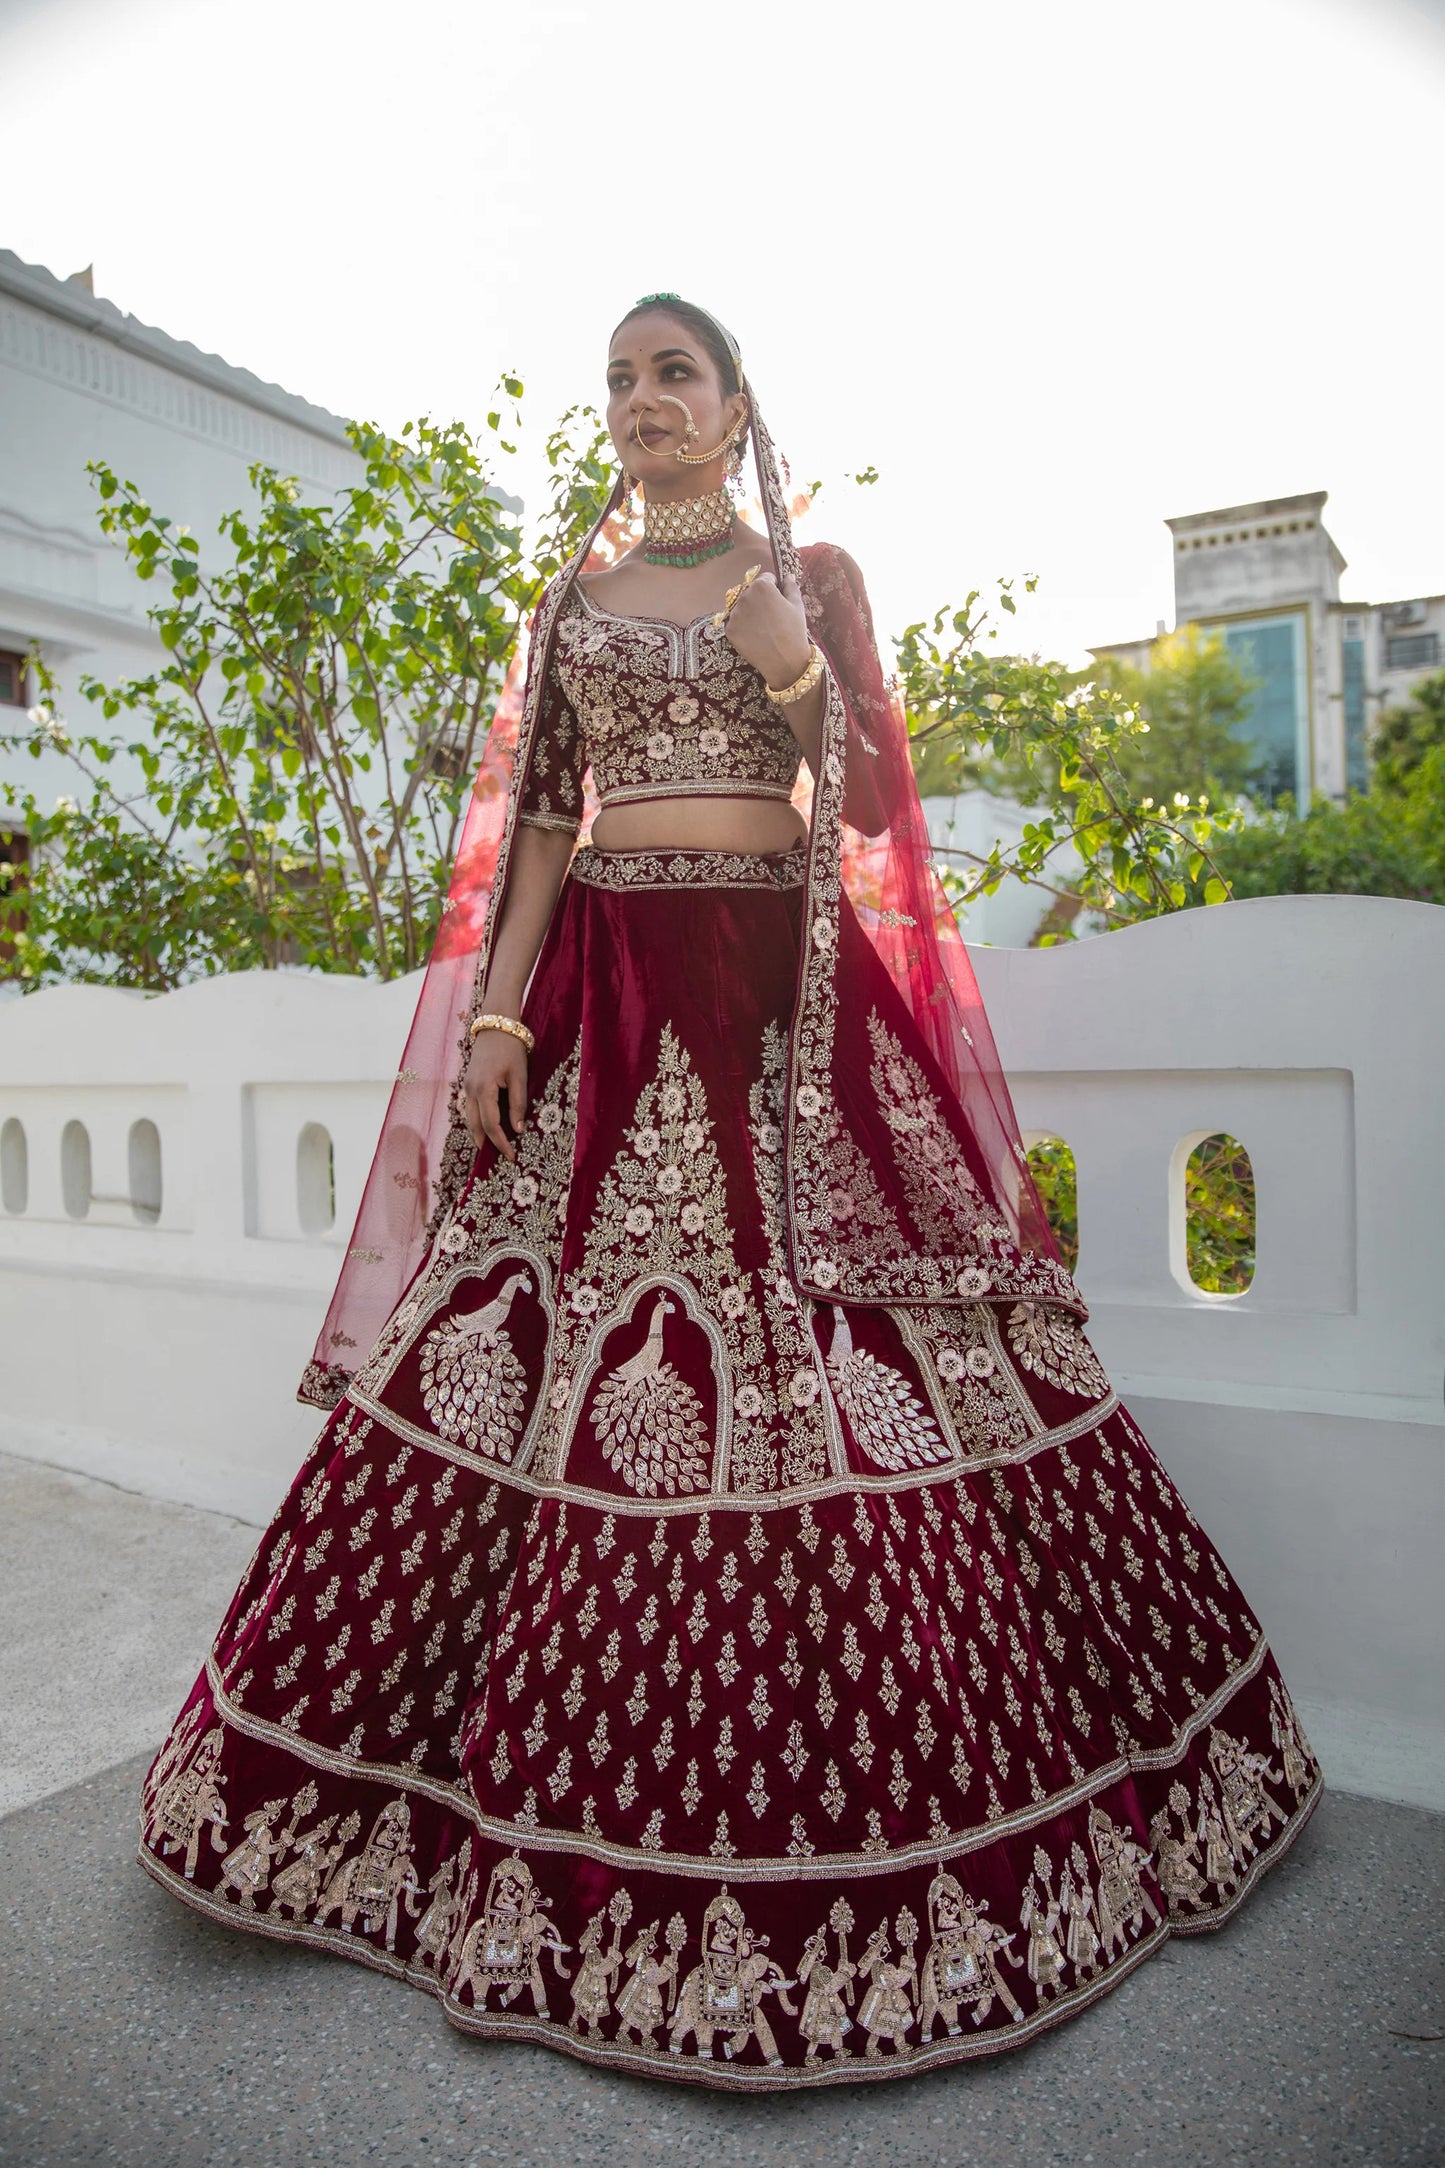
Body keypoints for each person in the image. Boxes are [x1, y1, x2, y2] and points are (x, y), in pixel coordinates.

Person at [138, 294, 1322, 2089]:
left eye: (669, 373)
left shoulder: (813, 579)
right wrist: (494, 1019)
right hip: (611, 994)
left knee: (867, 1342)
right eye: (616, 380)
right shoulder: (570, 606)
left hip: (780, 994)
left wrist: (790, 659)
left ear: (735, 402)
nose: (637, 404)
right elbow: (543, 821)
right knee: (531, 1345)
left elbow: (865, 808)